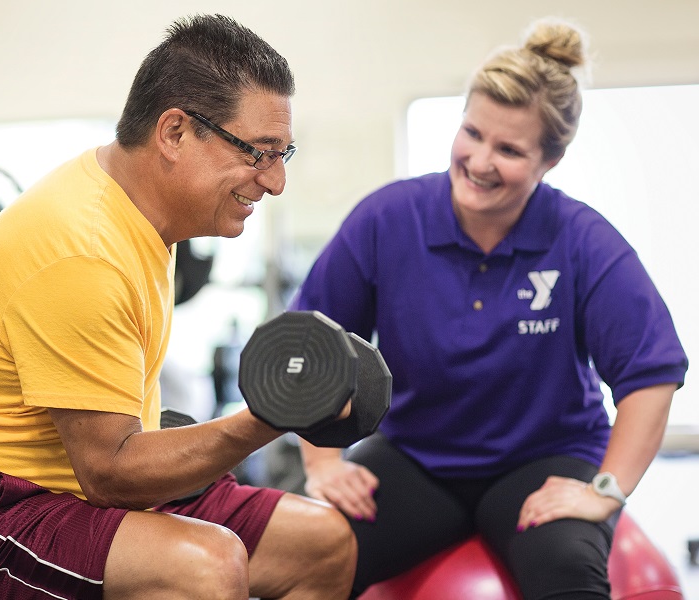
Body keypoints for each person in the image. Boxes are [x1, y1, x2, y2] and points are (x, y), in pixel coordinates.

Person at [0, 14, 357, 600]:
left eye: (284, 154)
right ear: (174, 133)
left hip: (75, 489)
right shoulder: (83, 250)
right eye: (259, 154)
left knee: (322, 543)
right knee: (205, 568)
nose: (277, 181)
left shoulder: (145, 213)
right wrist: (270, 416)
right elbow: (110, 472)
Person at [290, 18, 688, 600]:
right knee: (299, 553)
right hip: (415, 460)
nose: (479, 161)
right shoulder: (388, 219)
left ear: (550, 161)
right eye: (472, 133)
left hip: (545, 462)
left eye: (509, 150)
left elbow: (651, 372)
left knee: (568, 568)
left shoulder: (581, 238)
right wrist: (323, 462)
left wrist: (606, 489)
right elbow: (313, 340)